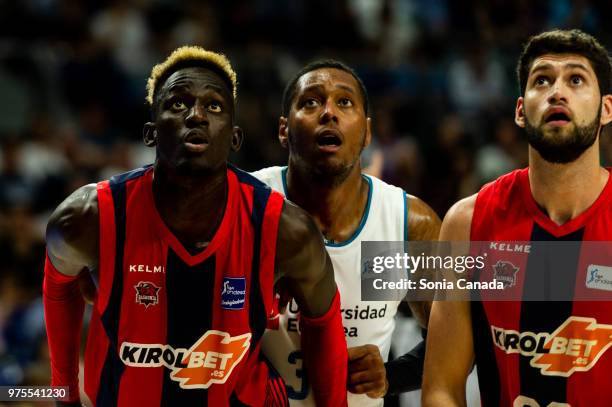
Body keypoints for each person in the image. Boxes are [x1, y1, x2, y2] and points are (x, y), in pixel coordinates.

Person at [43, 46, 348, 407]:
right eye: (178, 104)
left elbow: (324, 321)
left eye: (214, 106)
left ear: (234, 138)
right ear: (151, 133)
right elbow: (59, 288)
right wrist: (63, 394)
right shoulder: (88, 217)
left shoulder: (286, 229)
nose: (197, 115)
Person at [423, 29, 612, 406]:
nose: (558, 91)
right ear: (521, 111)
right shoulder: (467, 223)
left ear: (606, 108)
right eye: (542, 80)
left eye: (576, 79)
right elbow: (442, 387)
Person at [251, 60, 441, 406]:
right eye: (310, 102)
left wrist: (391, 376)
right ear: (283, 129)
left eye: (344, 102)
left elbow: (454, 339)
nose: (328, 113)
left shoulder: (406, 223)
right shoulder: (249, 204)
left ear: (367, 133)